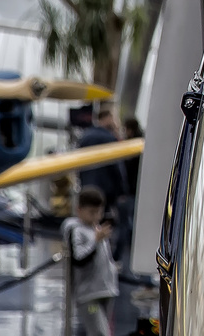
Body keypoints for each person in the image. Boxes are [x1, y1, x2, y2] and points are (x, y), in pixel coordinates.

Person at [62, 186, 118, 336]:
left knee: (103, 329)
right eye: (92, 212)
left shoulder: (97, 228)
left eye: (99, 212)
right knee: (99, 332)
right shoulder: (76, 230)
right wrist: (95, 241)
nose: (96, 217)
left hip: (106, 289)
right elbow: (79, 259)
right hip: (89, 296)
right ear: (79, 210)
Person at [77, 105, 126, 217]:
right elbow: (117, 169)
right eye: (115, 118)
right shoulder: (109, 139)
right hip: (105, 192)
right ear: (107, 118)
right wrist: (122, 191)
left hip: (87, 188)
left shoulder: (85, 136)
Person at [114, 118, 143, 264]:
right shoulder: (142, 144)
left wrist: (123, 192)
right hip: (137, 192)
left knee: (124, 224)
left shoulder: (130, 147)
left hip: (129, 193)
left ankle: (119, 256)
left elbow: (125, 173)